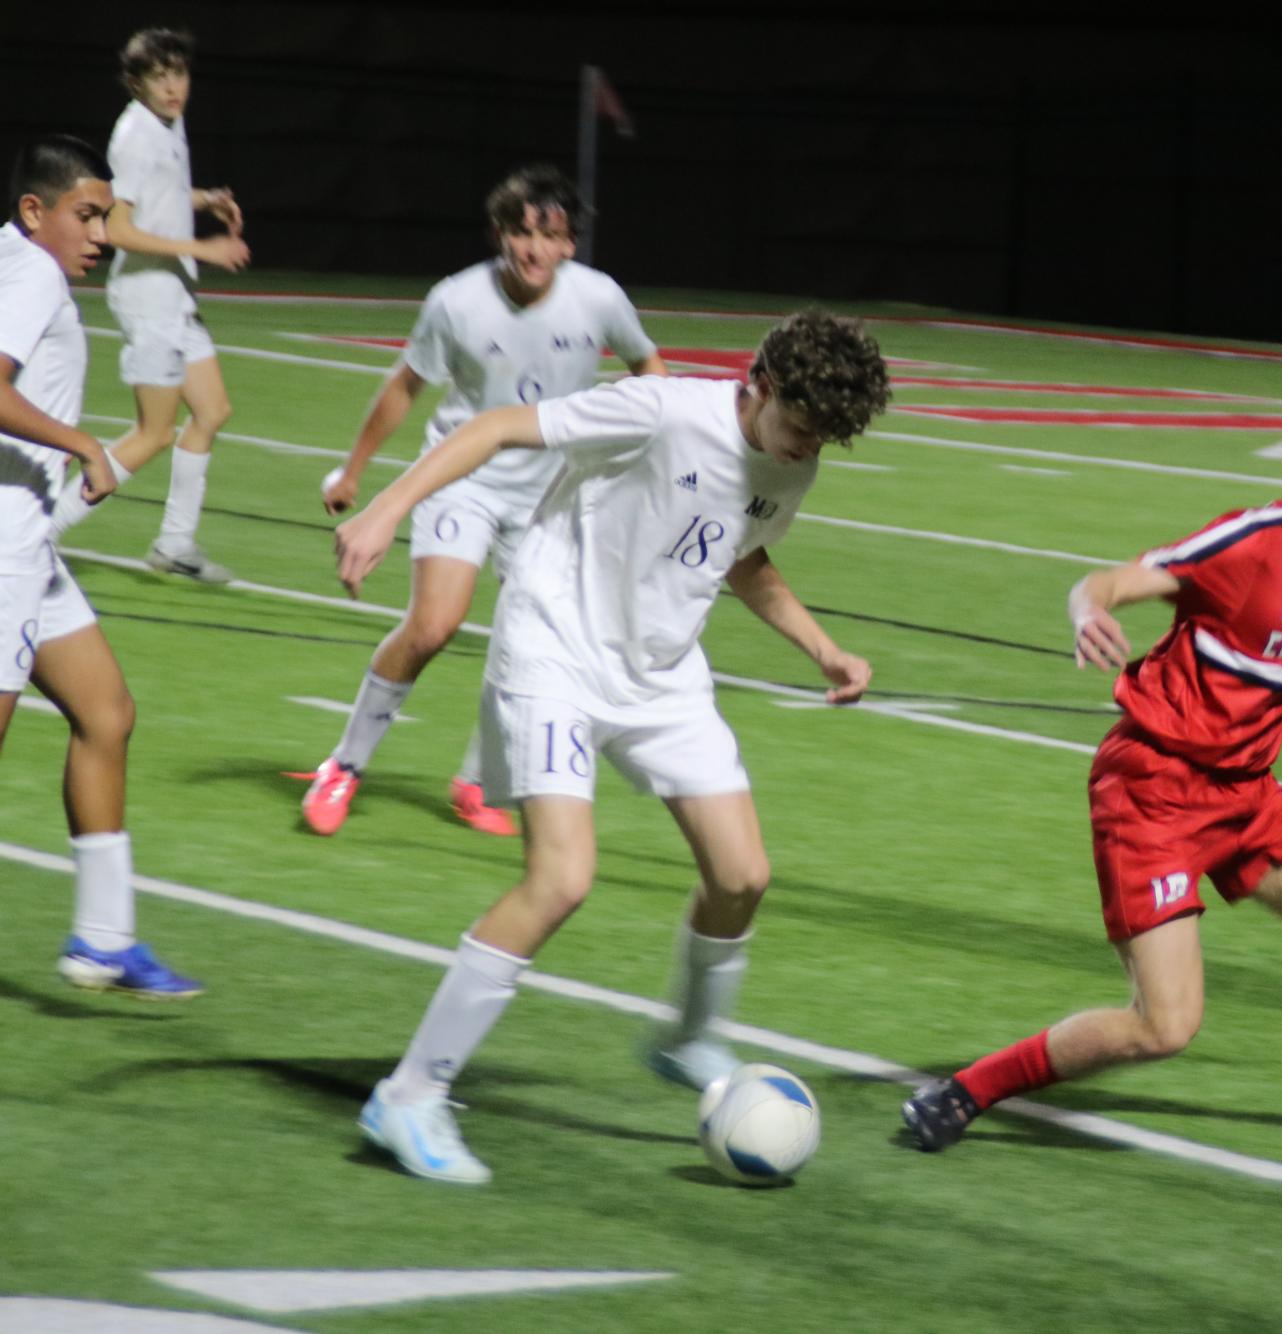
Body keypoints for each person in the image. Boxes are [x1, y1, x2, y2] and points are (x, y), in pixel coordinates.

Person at [331, 309, 890, 1183]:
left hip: (661, 674)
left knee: (742, 875)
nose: (804, 450)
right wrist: (384, 509)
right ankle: (406, 1098)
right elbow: (494, 426)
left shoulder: (795, 458)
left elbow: (742, 557)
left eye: (822, 440)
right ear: (761, 384)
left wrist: (821, 648)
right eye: (799, 427)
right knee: (561, 879)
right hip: (554, 650)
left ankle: (687, 1039)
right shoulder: (660, 410)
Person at [901, 409, 1282, 1152]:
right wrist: (1084, 606)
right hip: (1151, 791)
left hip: (1244, 791)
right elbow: (1116, 580)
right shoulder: (1245, 542)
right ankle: (966, 1089)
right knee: (1164, 1026)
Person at [300, 166, 667, 838]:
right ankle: (344, 765)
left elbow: (649, 368)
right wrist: (355, 472)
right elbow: (404, 387)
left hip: (552, 494)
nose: (532, 248)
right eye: (520, 232)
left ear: (568, 245)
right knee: (434, 625)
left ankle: (475, 781)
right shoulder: (456, 301)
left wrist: (652, 445)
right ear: (499, 234)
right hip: (461, 478)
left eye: (547, 235)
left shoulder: (599, 298)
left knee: (529, 641)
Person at [1, 134, 201, 999]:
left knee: (106, 713)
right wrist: (85, 443)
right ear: (34, 211)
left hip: (30, 546)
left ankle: (104, 939)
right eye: (88, 215)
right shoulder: (34, 274)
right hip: (3, 549)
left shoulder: (17, 262)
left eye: (108, 215)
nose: (103, 233)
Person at [48, 26, 250, 583]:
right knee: (154, 433)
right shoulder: (135, 134)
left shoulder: (169, 121)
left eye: (178, 74)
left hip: (175, 296)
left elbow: (155, 197)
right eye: (158, 78)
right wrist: (200, 246)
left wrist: (204, 199)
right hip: (147, 298)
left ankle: (175, 544)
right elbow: (117, 228)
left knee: (211, 412)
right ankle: (39, 535)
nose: (172, 87)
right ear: (135, 83)